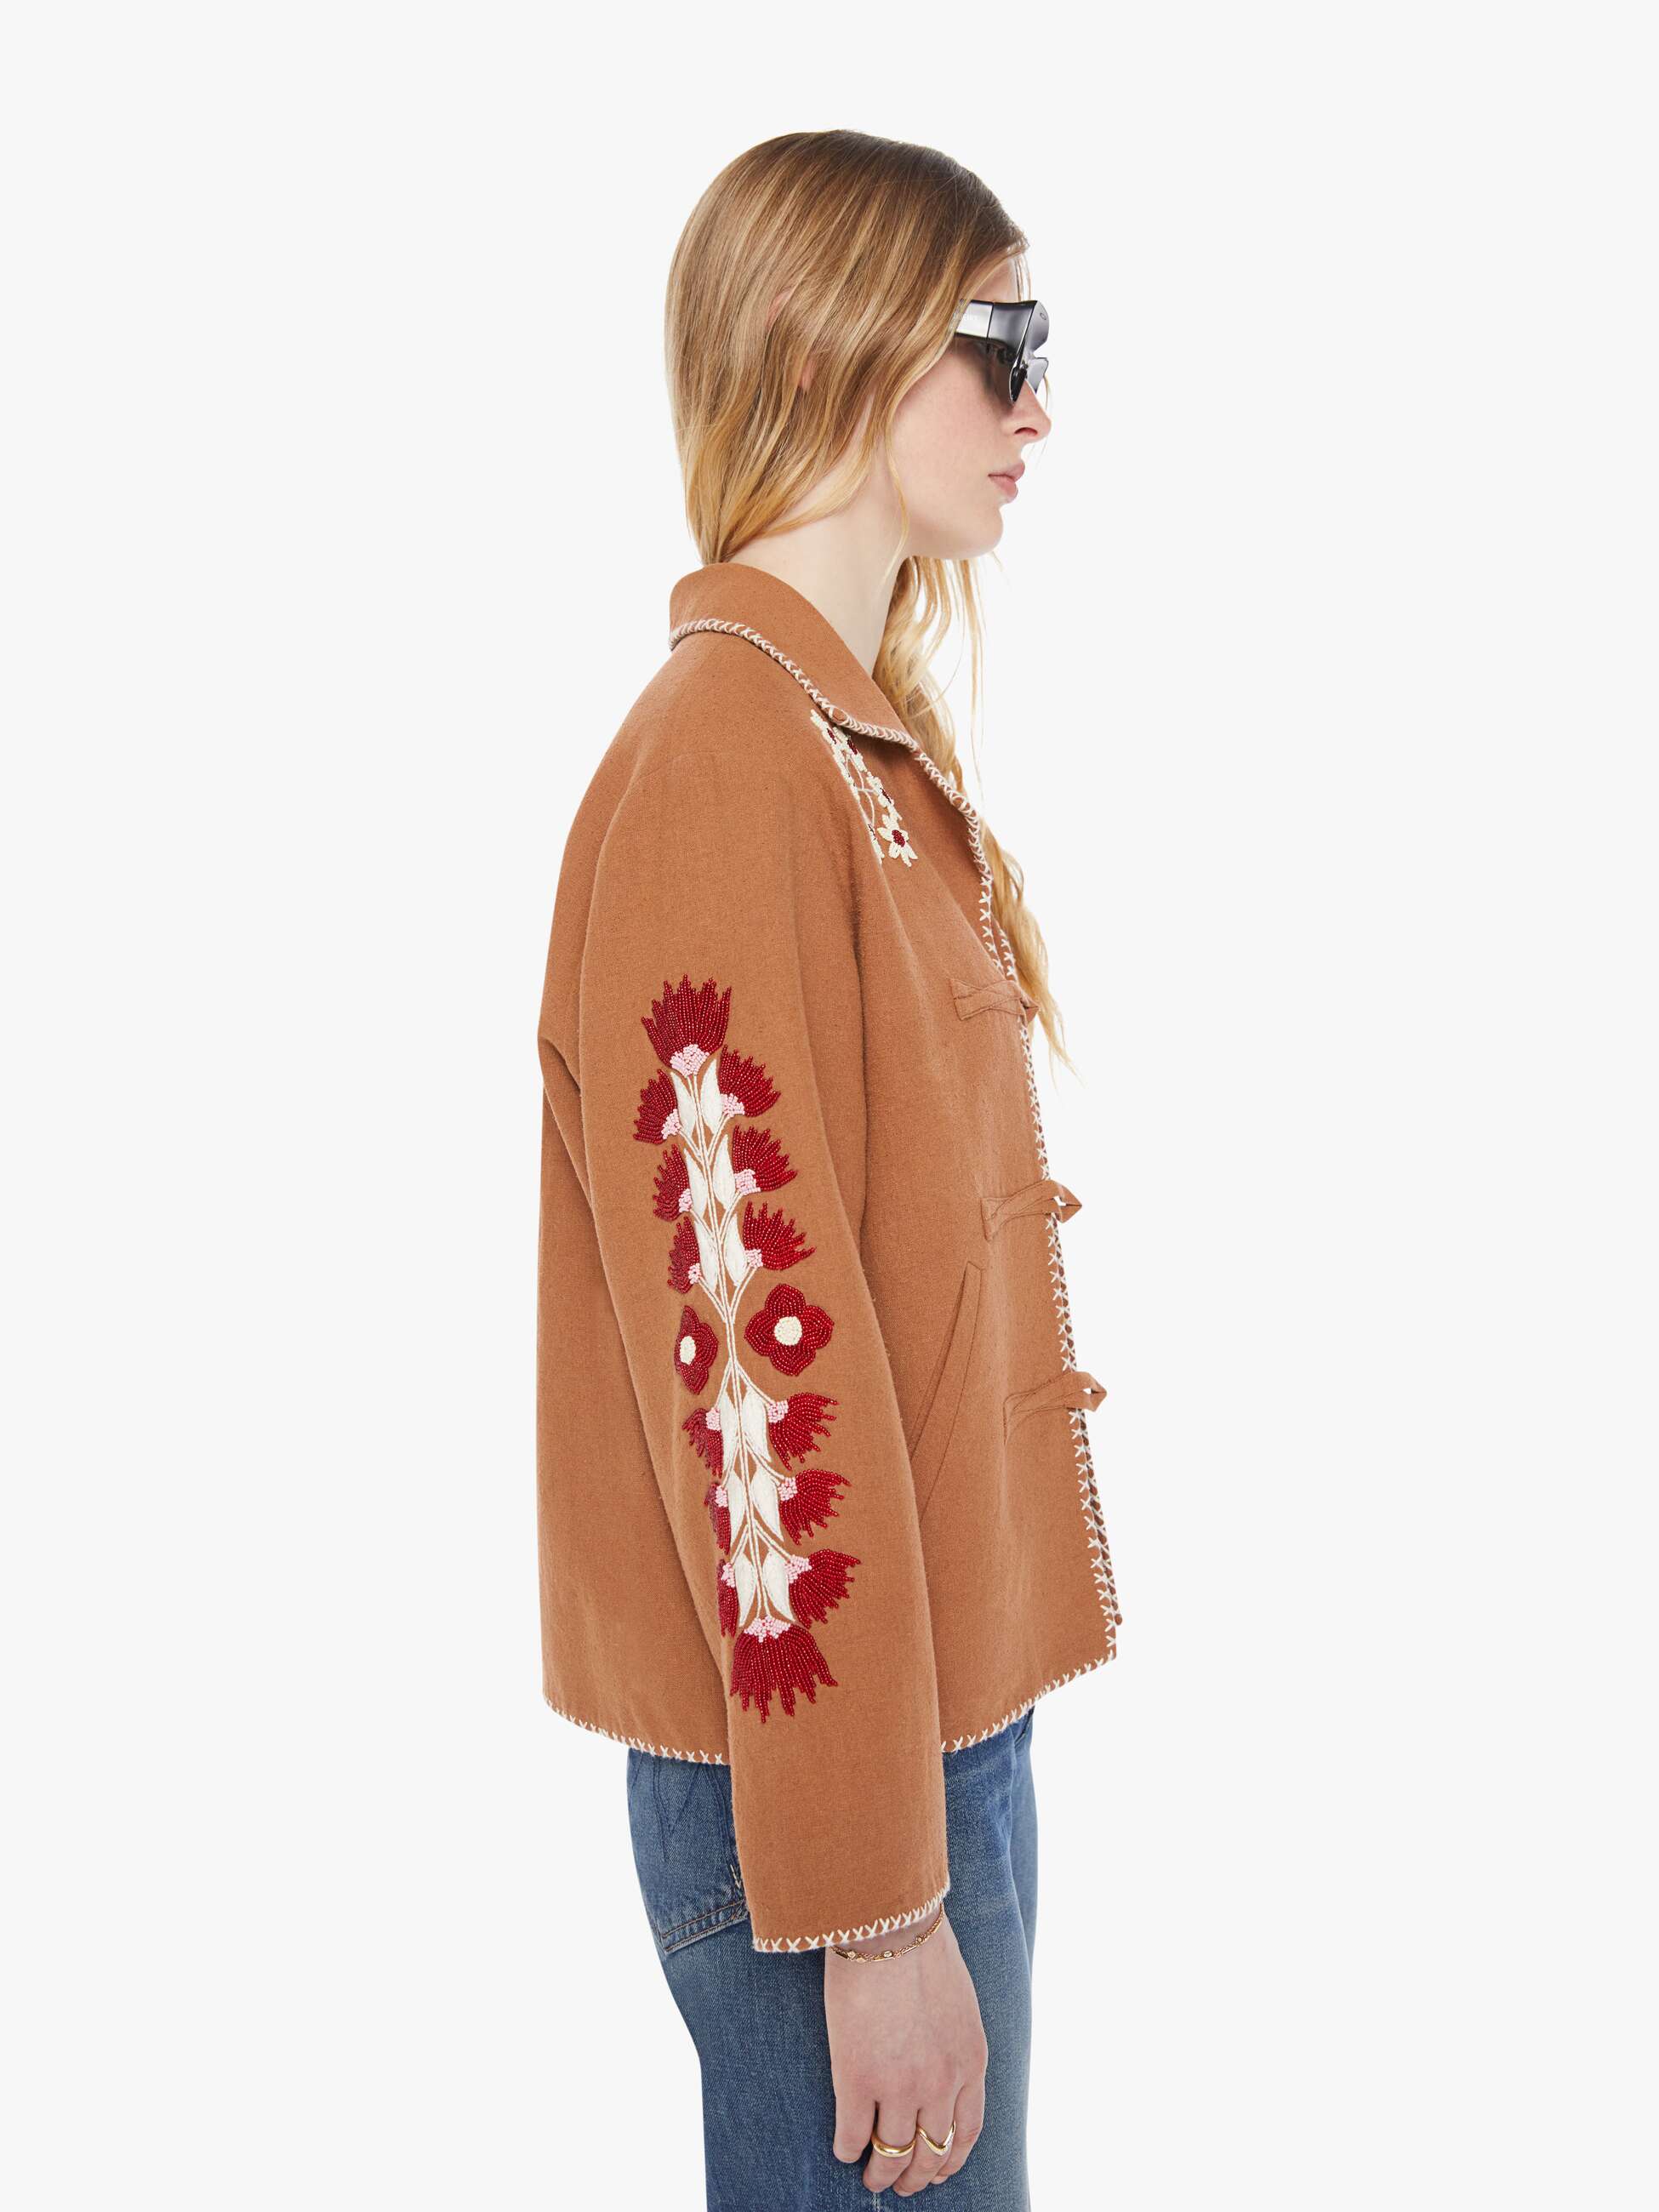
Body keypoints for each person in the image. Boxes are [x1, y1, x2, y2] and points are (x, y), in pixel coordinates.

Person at [534, 129, 1120, 2208]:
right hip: (834, 1806)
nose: (1038, 406)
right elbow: (753, 1367)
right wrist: (875, 1905)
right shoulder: (726, 759)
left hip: (910, 1752)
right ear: (818, 347)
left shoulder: (825, 744)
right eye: (999, 342)